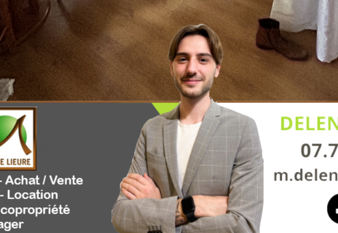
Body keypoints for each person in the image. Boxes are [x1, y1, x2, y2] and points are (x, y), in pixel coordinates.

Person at [111, 24, 263, 233]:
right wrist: (193, 206)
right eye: (183, 59)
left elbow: (244, 226)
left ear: (217, 68)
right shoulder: (151, 129)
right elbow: (121, 215)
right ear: (171, 67)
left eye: (203, 60)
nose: (191, 69)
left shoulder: (243, 129)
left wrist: (160, 210)